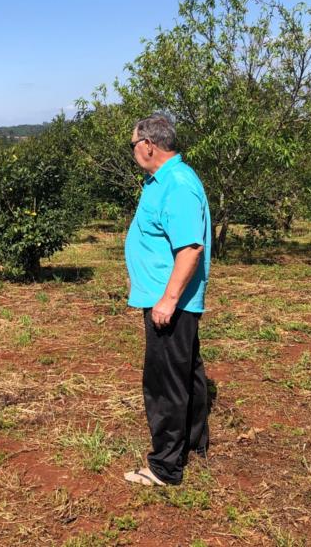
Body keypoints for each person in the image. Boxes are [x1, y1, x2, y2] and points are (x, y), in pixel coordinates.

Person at [122, 114, 211, 486]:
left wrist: (168, 300)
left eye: (132, 144)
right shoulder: (163, 180)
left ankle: (165, 467)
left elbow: (191, 248)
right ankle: (193, 444)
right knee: (187, 372)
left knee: (164, 383)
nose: (132, 151)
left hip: (169, 303)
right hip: (167, 298)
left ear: (148, 145)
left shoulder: (177, 184)